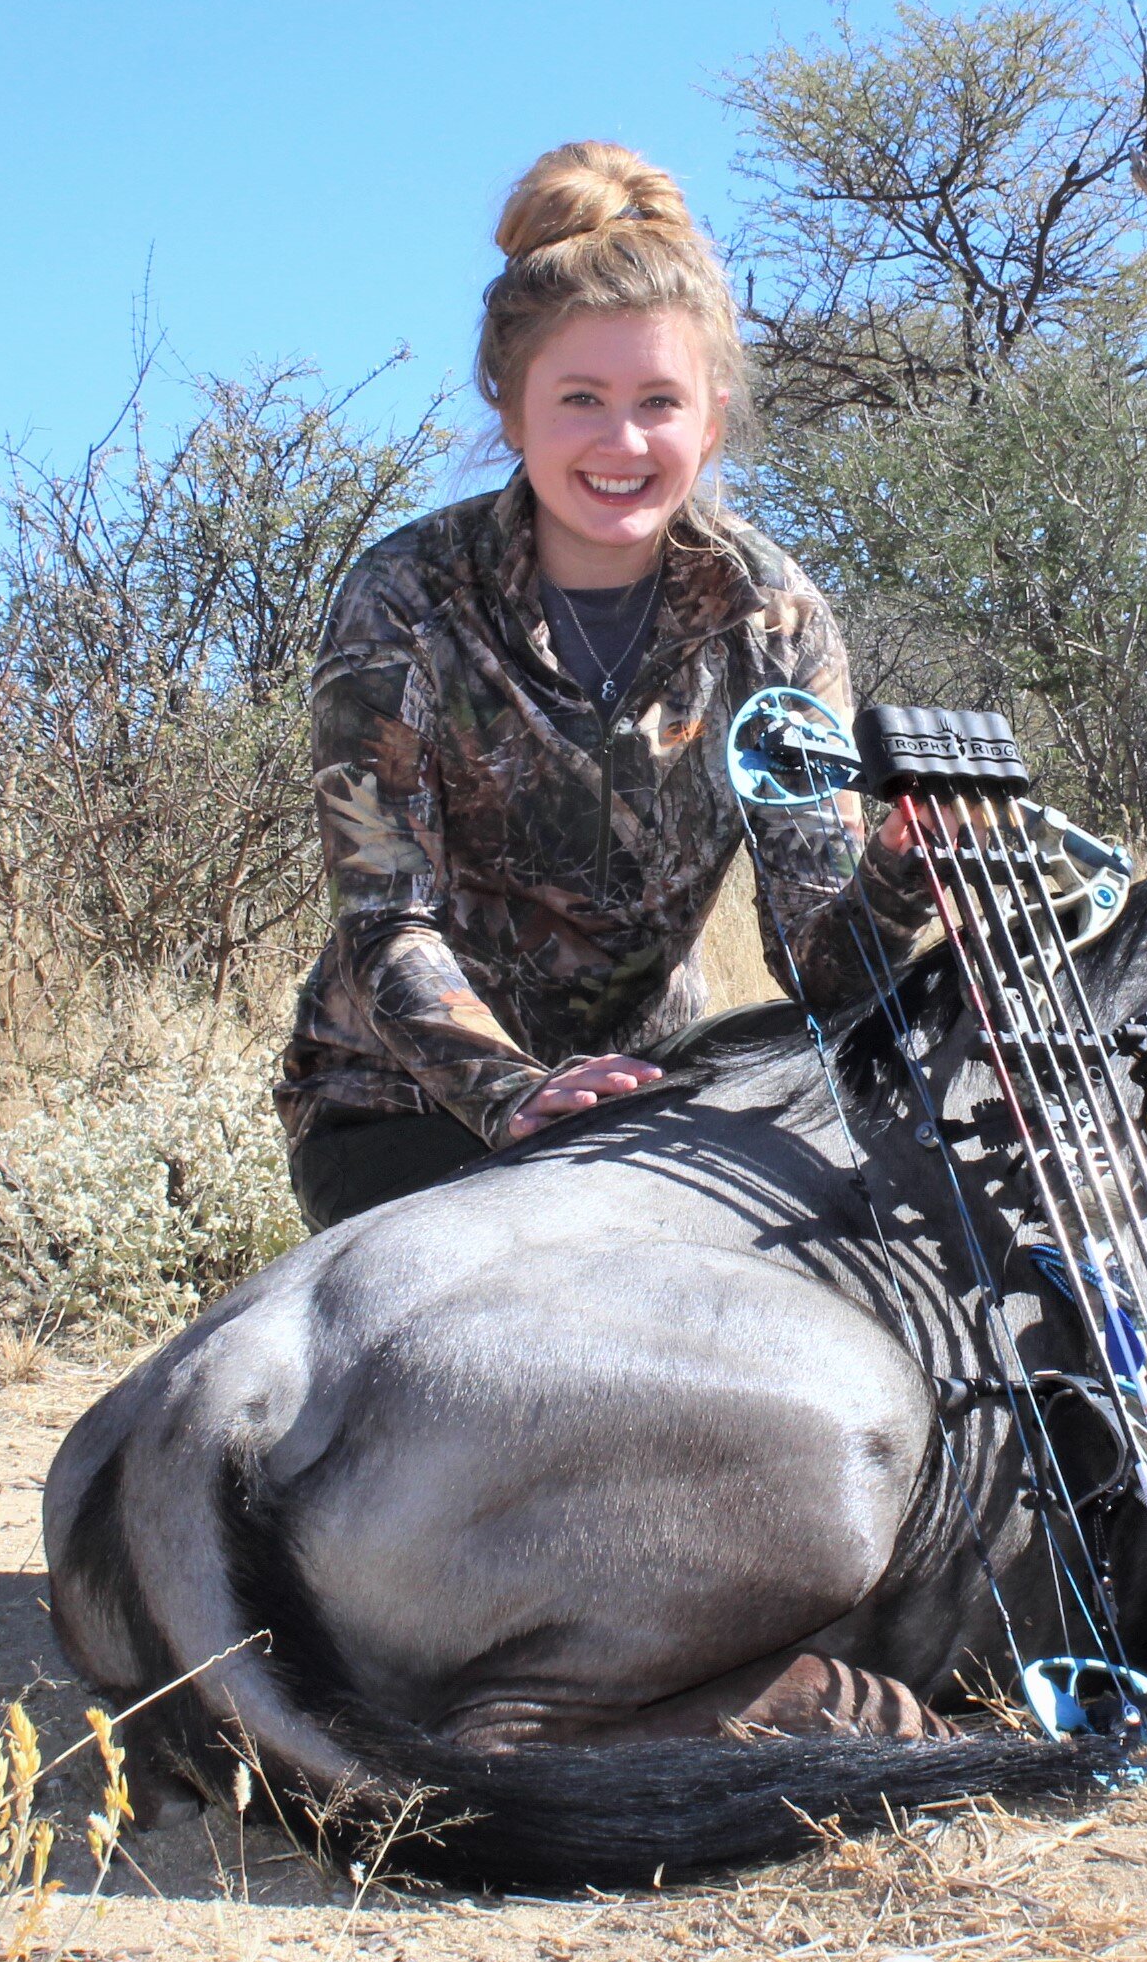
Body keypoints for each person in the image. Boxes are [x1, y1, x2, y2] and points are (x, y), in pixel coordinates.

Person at [274, 140, 929, 1229]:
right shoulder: (403, 597)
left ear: (710, 420)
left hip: (645, 1098)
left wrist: (904, 875)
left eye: (659, 403)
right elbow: (388, 920)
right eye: (580, 397)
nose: (622, 442)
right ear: (511, 404)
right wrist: (518, 1093)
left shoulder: (772, 613)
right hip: (402, 1103)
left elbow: (823, 962)